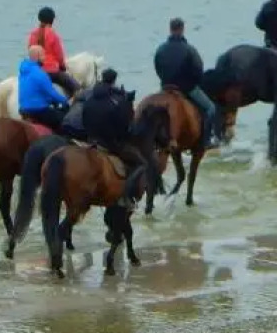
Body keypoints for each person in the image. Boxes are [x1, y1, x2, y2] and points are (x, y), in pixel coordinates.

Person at [82, 68, 151, 208]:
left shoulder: (89, 98)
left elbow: (84, 120)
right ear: (114, 81)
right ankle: (126, 196)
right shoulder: (117, 101)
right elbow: (124, 127)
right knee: (142, 163)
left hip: (90, 140)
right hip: (110, 144)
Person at [153, 16, 222, 149]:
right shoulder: (189, 49)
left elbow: (157, 66)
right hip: (186, 88)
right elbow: (198, 69)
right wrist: (193, 82)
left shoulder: (161, 49)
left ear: (170, 29)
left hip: (166, 86)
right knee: (211, 109)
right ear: (182, 29)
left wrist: (164, 80)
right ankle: (207, 140)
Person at [27, 7, 81, 96]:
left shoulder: (33, 34)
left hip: (35, 70)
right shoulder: (53, 35)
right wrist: (62, 66)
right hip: (51, 72)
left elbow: (31, 52)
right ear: (52, 20)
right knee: (77, 88)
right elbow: (59, 56)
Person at [17, 44, 70, 129]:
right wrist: (66, 101)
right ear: (37, 56)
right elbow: (52, 94)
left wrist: (48, 100)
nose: (45, 58)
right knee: (64, 120)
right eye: (43, 55)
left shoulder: (23, 73)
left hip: (23, 110)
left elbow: (37, 92)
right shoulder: (40, 73)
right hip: (38, 111)